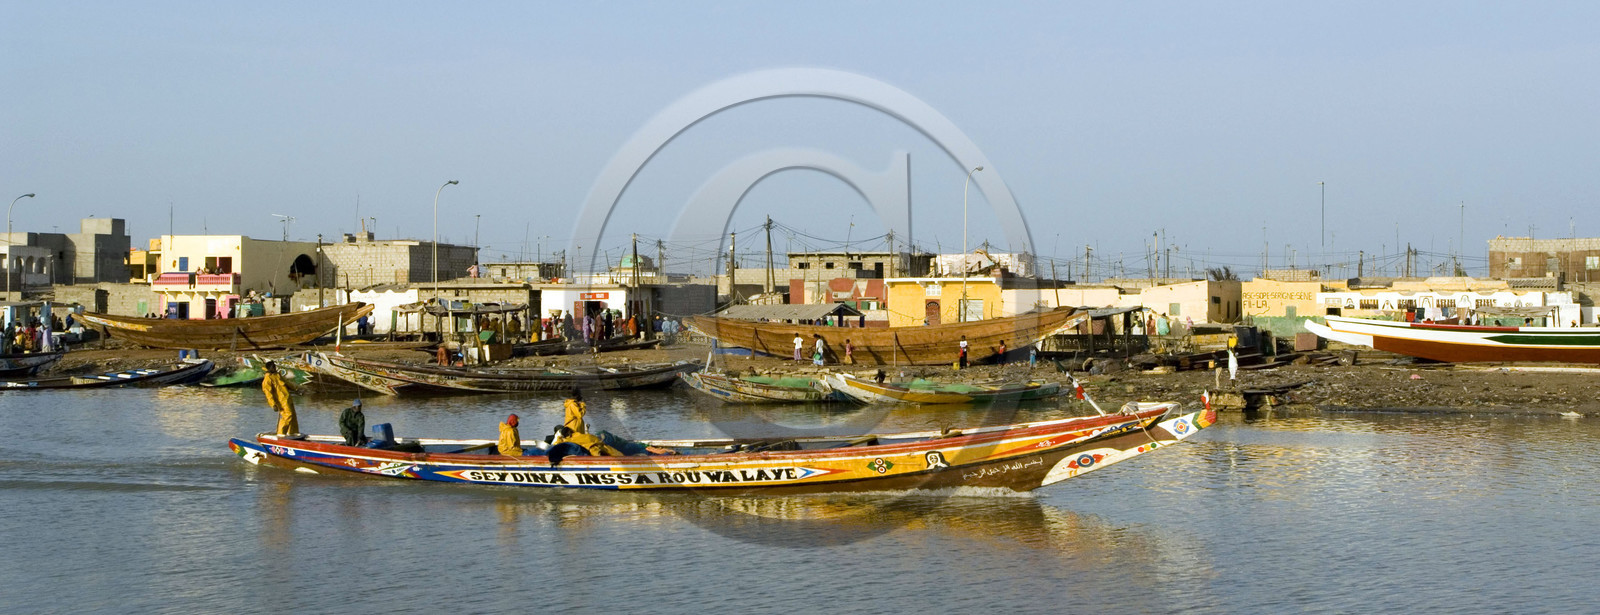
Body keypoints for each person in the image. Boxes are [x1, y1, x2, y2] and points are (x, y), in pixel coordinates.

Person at [262, 361, 298, 436]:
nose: (275, 368)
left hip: (287, 398)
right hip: (281, 402)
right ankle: (281, 434)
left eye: (275, 366)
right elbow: (268, 393)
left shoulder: (277, 375)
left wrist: (296, 389)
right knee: (287, 415)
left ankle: (293, 433)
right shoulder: (267, 379)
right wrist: (273, 404)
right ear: (269, 368)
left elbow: (286, 382)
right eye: (273, 367)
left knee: (293, 416)